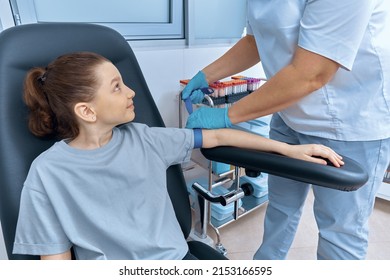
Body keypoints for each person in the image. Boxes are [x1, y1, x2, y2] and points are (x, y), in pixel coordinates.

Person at [12, 52, 343, 260]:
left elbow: (218, 135)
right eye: (116, 87)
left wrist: (289, 149)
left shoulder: (145, 139)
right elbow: (54, 261)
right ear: (85, 110)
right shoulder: (48, 173)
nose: (131, 92)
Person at [182, 0, 390, 260]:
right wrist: (205, 75)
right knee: (281, 207)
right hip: (289, 112)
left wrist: (226, 115)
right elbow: (255, 41)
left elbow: (312, 73)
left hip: (349, 119)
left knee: (340, 232)